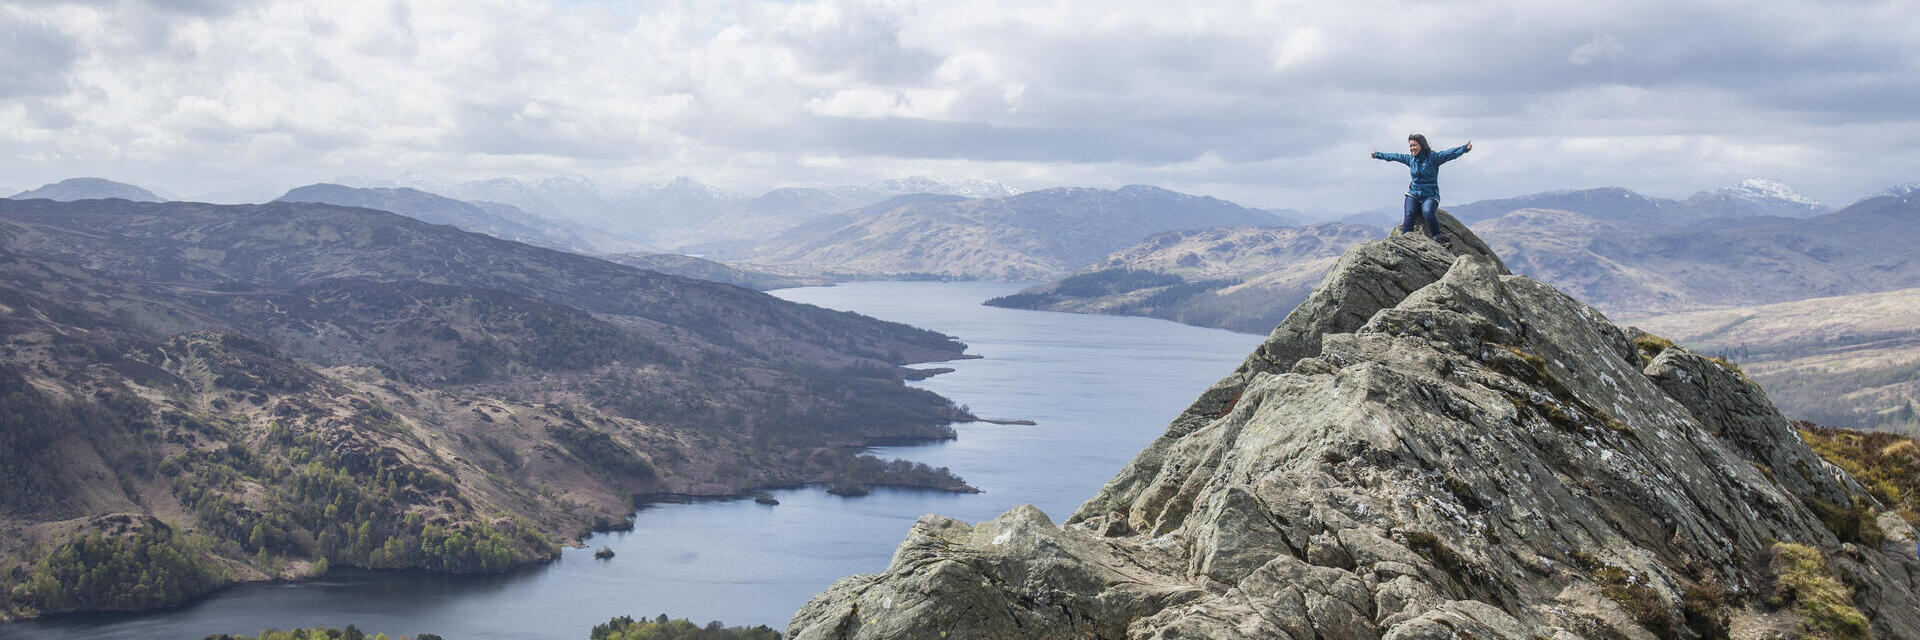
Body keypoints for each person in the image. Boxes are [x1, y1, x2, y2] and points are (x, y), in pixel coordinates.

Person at [1371, 134, 1471, 248]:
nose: (1412, 148)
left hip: (1430, 195)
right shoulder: (1411, 159)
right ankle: (1405, 242)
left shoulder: (1433, 158)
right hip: (1413, 194)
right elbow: (1394, 156)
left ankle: (1438, 238)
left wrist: (1464, 148)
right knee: (1409, 214)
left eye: (1414, 145)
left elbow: (1449, 154)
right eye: (1410, 146)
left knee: (1427, 212)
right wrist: (1377, 155)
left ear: (1422, 145)